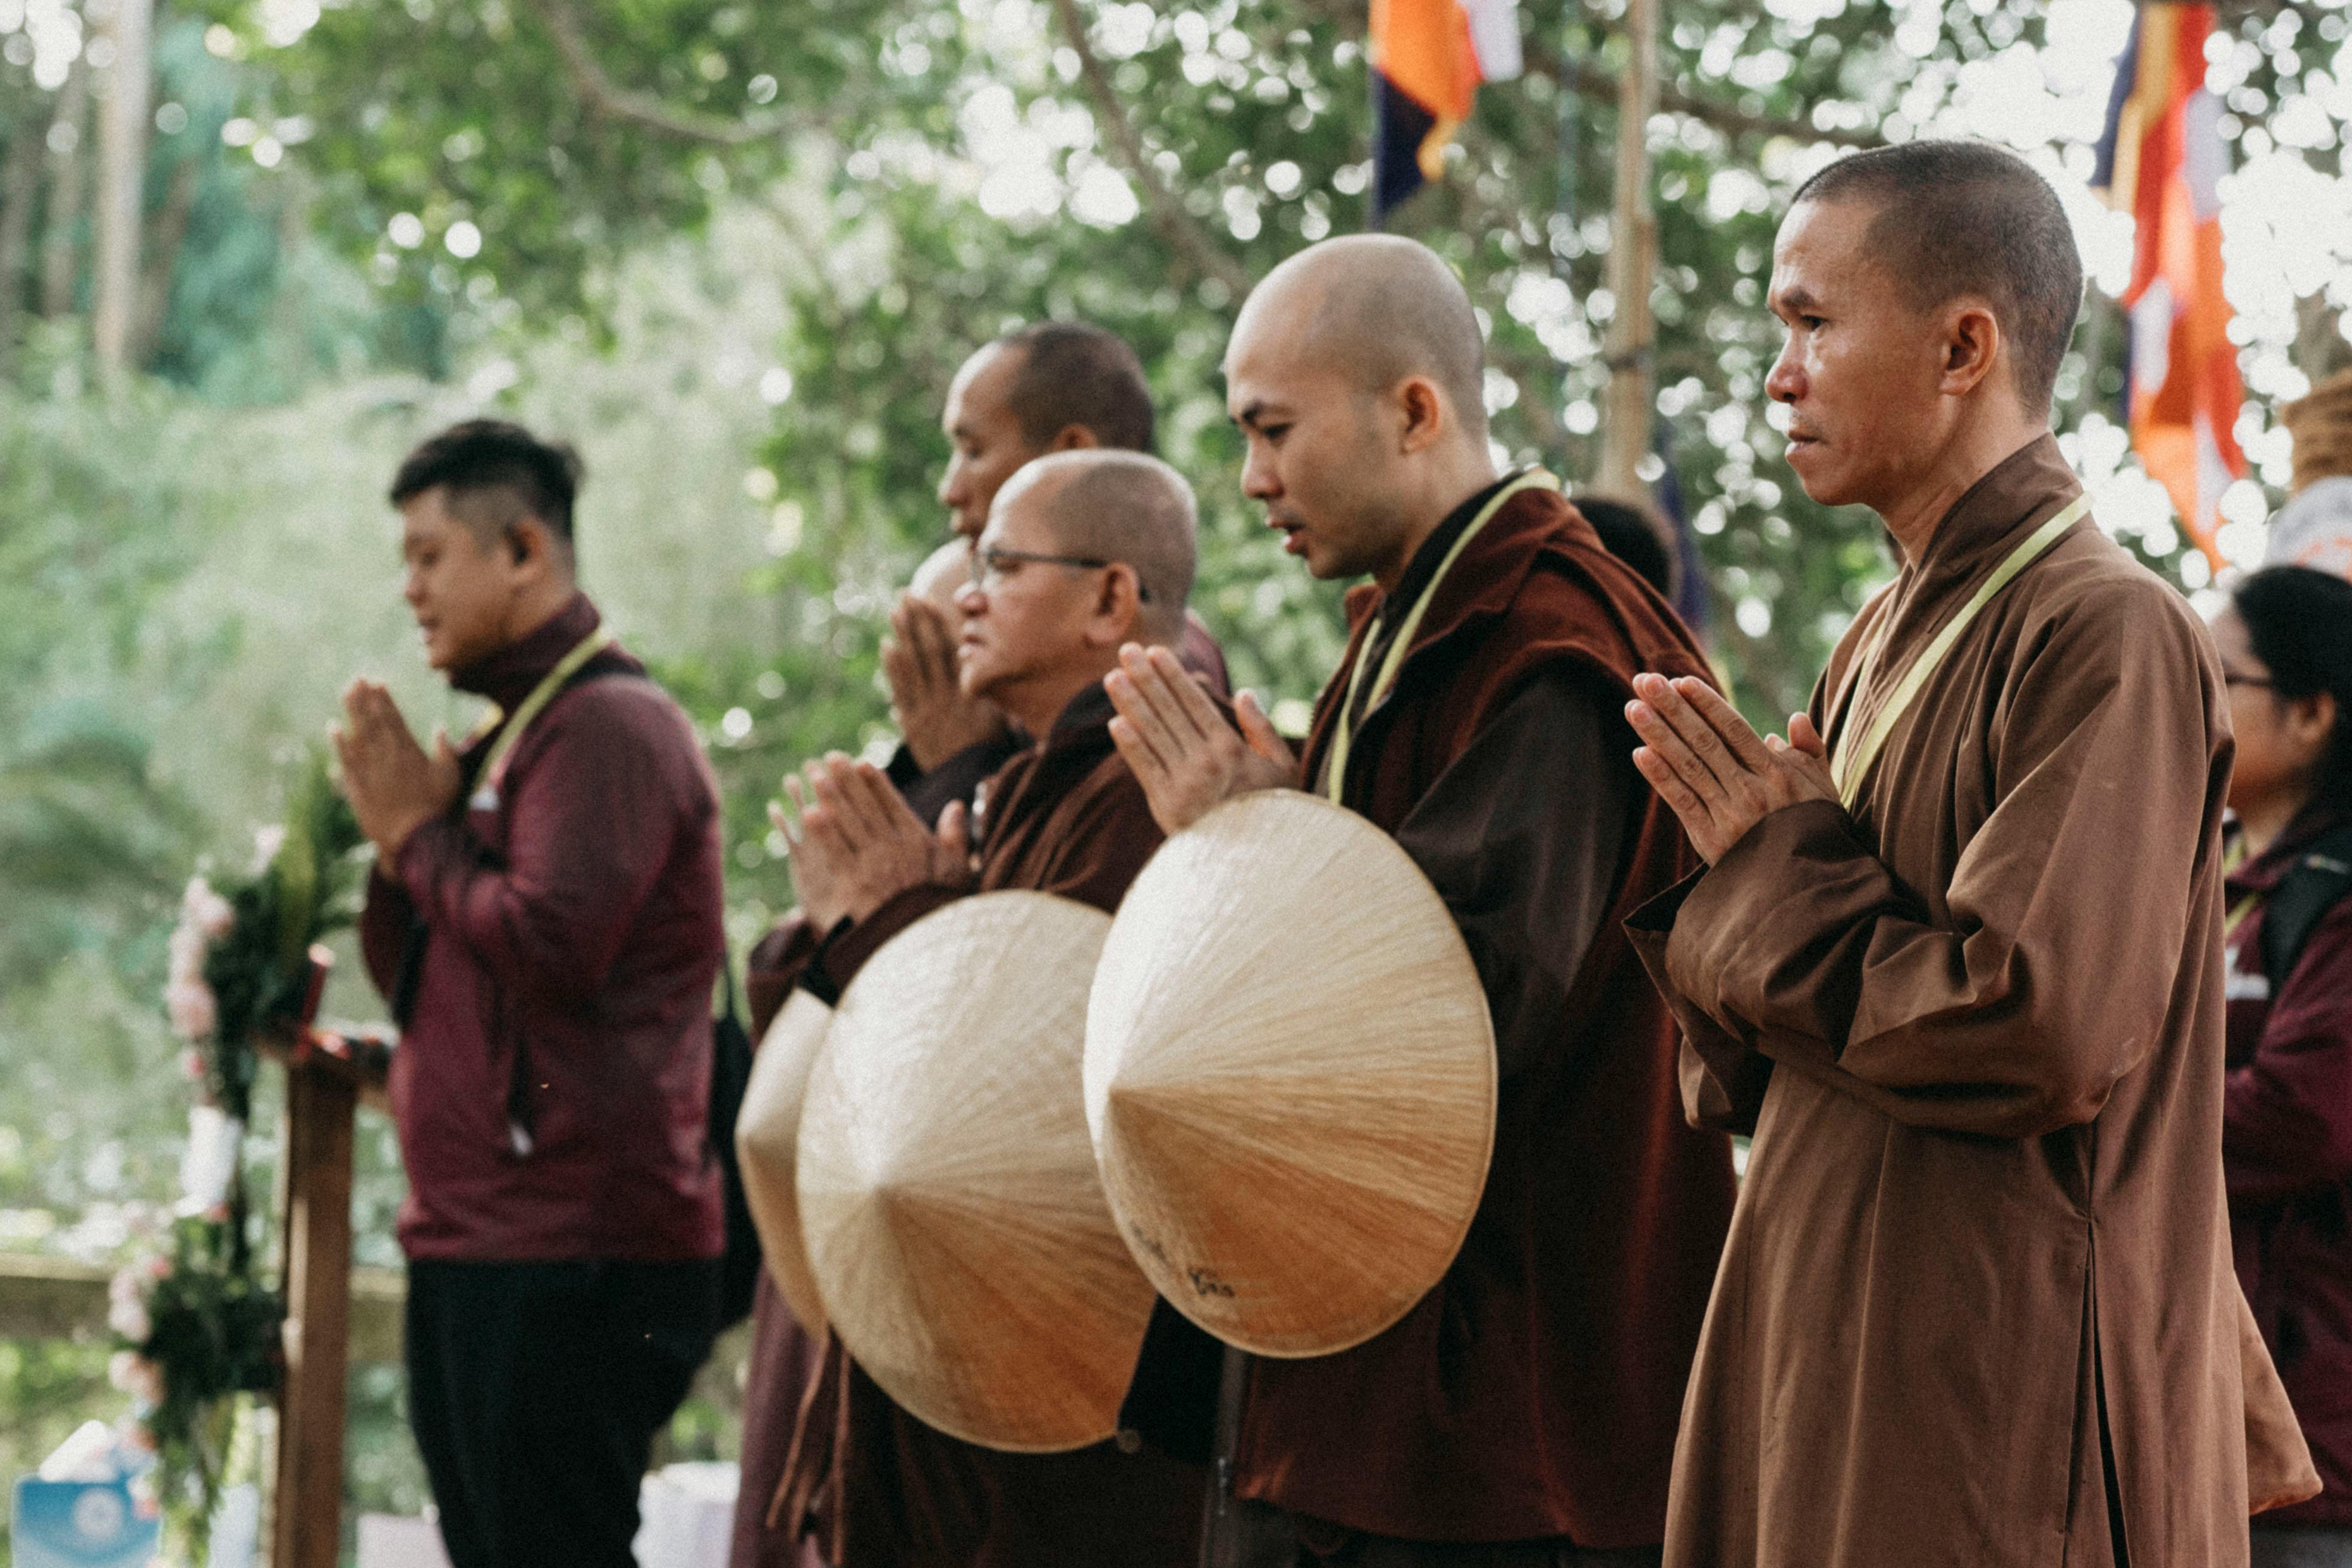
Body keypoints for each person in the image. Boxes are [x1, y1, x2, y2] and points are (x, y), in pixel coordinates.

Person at [1615, 139, 2316, 1567]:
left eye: (1812, 322)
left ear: (1962, 346)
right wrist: (1756, 887)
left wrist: (1771, 881)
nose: (1778, 374)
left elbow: (2034, 1020)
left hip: (1990, 1390)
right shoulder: (1887, 630)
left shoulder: (2104, 628)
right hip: (1842, 1329)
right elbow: (1775, 1037)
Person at [1104, 233, 1737, 1566]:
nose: (1251, 477)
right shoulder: (1417, 622)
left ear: (1413, 409)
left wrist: (1251, 842)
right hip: (1367, 1412)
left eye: (1273, 429)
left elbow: (1439, 1039)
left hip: (1488, 1437)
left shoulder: (1548, 649)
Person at [732, 321, 1226, 1568]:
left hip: (1053, 1378)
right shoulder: (1031, 774)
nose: (962, 591)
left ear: (1113, 599)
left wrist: (900, 919)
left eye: (999, 565)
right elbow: (813, 972)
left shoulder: (1142, 765)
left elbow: (1024, 1096)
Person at [337, 420, 726, 1568]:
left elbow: (555, 946)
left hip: (569, 1250)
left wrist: (417, 836)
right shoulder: (518, 731)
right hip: (486, 1236)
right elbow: (433, 972)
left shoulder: (607, 726)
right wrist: (411, 841)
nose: (409, 591)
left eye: (427, 555)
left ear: (521, 550)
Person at [2217, 566, 2352, 1566]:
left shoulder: (2338, 901)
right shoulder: (2212, 873)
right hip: (2207, 1406)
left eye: (2217, 678)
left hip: (2314, 1426)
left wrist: (2096, 1111)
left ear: (2311, 715)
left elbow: (2303, 1118)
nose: (2188, 704)